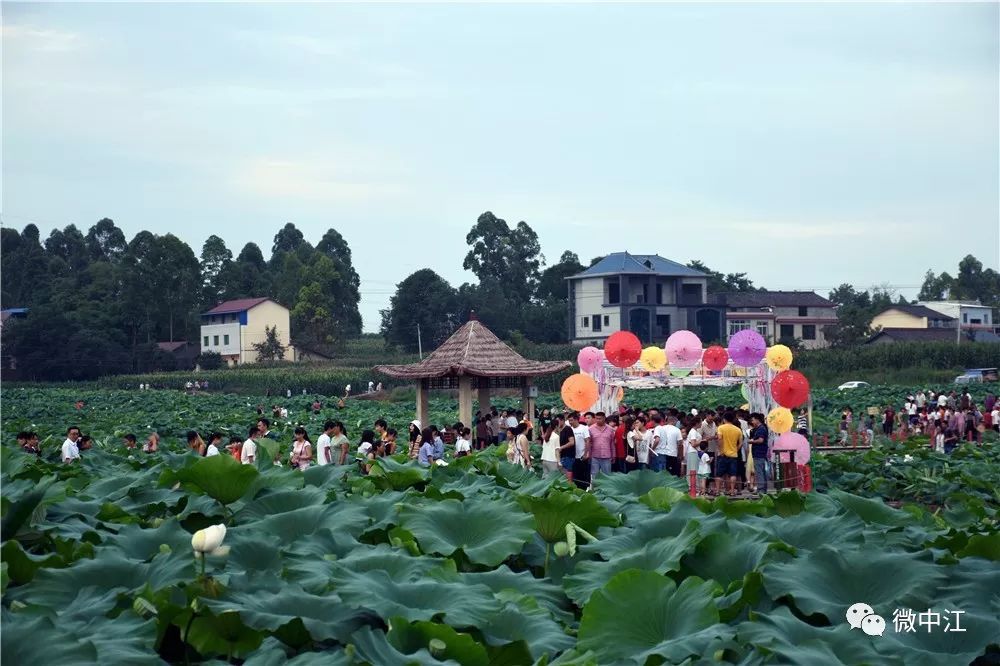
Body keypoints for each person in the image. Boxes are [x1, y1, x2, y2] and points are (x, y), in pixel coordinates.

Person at [717, 413, 743, 496]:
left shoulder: (720, 428)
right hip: (733, 455)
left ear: (724, 419)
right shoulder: (738, 430)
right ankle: (732, 491)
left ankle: (718, 491)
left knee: (719, 474)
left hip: (723, 455)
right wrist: (735, 450)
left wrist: (721, 450)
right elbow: (741, 443)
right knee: (733, 474)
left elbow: (720, 439)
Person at [587, 412, 615, 477]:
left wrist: (613, 455)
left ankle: (606, 487)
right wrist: (589, 455)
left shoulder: (610, 429)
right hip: (594, 457)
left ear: (604, 418)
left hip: (607, 457)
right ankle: (595, 487)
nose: (598, 420)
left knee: (607, 476)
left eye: (600, 419)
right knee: (594, 476)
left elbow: (612, 443)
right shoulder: (590, 429)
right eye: (597, 418)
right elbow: (589, 443)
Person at [570, 412, 592, 489]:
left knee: (584, 475)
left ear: (576, 420)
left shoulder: (584, 428)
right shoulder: (570, 429)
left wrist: (586, 454)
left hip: (582, 456)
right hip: (573, 456)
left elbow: (587, 441)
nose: (570, 422)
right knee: (575, 476)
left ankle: (584, 490)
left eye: (571, 420)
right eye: (569, 420)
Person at [748, 413, 769, 493]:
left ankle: (761, 490)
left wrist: (752, 441)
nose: (752, 422)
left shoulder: (761, 429)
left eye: (753, 420)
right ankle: (763, 490)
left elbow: (761, 440)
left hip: (759, 453)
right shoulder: (760, 428)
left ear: (757, 419)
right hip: (760, 453)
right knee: (761, 472)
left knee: (759, 472)